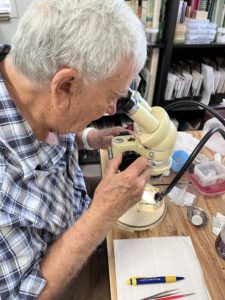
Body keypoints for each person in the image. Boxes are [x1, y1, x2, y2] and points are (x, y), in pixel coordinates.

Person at [0, 0, 150, 299]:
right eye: (111, 96)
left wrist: (88, 137)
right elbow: (25, 294)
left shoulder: (30, 85)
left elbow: (53, 118)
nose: (111, 108)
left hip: (76, 214)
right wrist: (102, 214)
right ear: (66, 86)